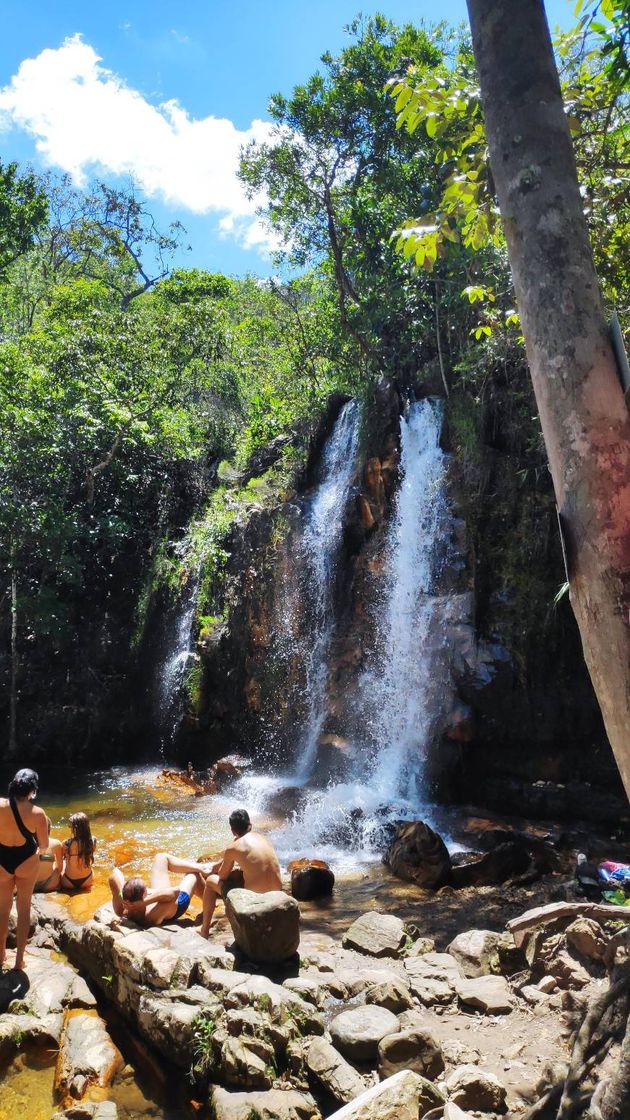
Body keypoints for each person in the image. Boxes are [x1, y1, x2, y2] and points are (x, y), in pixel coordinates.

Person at [199, 808, 282, 939]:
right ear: (250, 825)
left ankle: (204, 930)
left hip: (256, 900)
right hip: (277, 894)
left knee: (210, 882)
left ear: (233, 831)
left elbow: (222, 876)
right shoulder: (264, 838)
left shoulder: (234, 847)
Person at [0, 768, 48, 970]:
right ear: (33, 791)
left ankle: (1, 954)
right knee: (24, 908)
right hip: (26, 861)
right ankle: (19, 960)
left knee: (2, 910)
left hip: (1, 861)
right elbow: (44, 845)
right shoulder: (38, 813)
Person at [109, 852, 207, 928]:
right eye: (146, 889)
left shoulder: (122, 908)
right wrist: (145, 902)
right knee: (194, 875)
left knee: (161, 857)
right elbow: (176, 891)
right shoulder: (150, 917)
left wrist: (121, 894)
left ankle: (204, 867)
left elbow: (115, 873)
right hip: (178, 902)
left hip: (161, 894)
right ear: (144, 895)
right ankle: (209, 901)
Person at [61, 812, 96, 891]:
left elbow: (61, 861)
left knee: (63, 862)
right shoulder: (92, 841)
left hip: (68, 882)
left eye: (70, 826)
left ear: (74, 828)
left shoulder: (66, 843)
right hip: (87, 881)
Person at [34, 816, 63, 893]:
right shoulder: (56, 843)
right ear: (49, 829)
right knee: (59, 868)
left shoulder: (26, 844)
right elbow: (59, 868)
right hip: (49, 884)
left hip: (29, 884)